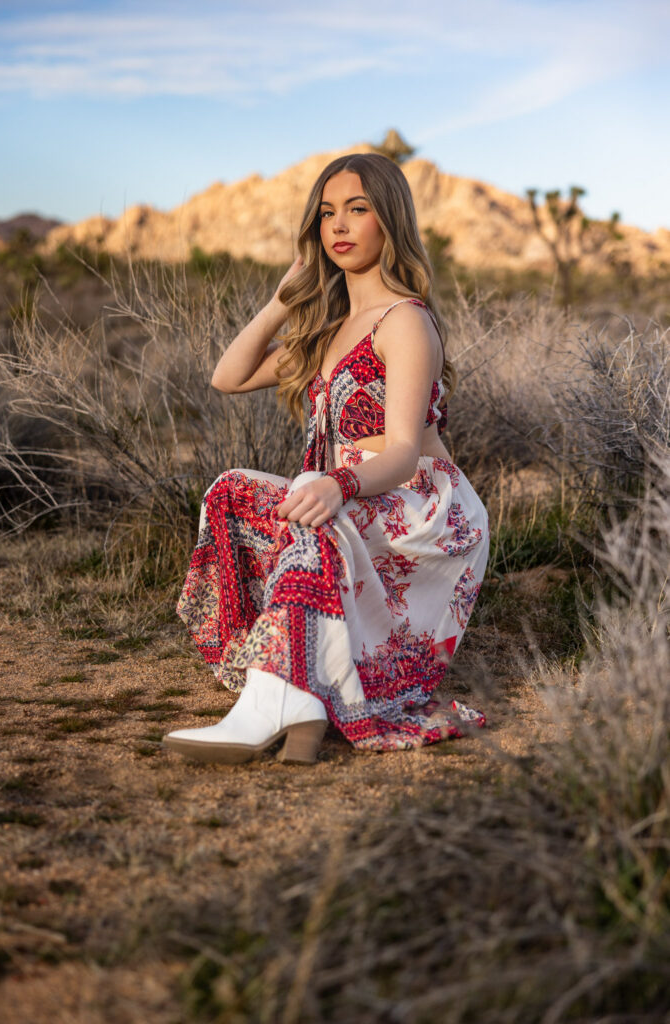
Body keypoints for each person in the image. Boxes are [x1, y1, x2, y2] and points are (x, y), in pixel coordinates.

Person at [163, 152, 490, 765]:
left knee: (314, 502)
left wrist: (338, 483)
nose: (339, 226)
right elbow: (226, 377)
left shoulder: (404, 322)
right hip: (354, 494)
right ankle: (297, 693)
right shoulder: (330, 328)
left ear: (388, 220)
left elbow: (401, 453)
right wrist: (284, 300)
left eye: (358, 210)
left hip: (422, 505)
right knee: (232, 490)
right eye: (327, 213)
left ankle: (279, 698)